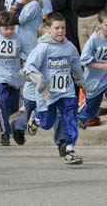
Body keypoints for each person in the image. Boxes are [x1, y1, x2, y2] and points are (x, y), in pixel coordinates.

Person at [23, 12, 86, 165]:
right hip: (47, 93)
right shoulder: (43, 48)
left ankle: (70, 150)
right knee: (47, 123)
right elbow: (29, 68)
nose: (60, 31)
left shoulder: (70, 47)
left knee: (70, 117)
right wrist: (42, 85)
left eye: (63, 28)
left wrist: (82, 83)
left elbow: (76, 67)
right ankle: (37, 116)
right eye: (57, 28)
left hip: (67, 92)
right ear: (49, 28)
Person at [0, 11, 30, 146]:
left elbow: (29, 54)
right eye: (6, 28)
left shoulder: (19, 39)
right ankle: (5, 133)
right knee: (3, 101)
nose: (9, 31)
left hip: (15, 78)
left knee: (14, 107)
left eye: (12, 28)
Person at [78, 9, 107, 129]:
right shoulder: (94, 40)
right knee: (91, 109)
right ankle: (80, 119)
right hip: (94, 81)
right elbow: (84, 59)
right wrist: (102, 66)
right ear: (99, 24)